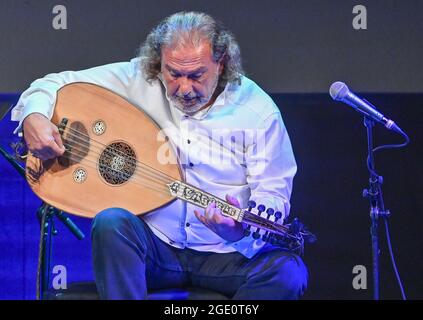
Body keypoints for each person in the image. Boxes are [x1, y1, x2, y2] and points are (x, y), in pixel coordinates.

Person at [12, 11, 308, 299]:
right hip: (156, 248)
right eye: (174, 73)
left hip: (225, 255)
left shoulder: (257, 111)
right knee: (111, 221)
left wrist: (237, 231)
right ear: (159, 63)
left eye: (196, 75)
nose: (184, 88)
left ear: (222, 63)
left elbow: (273, 193)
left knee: (287, 273)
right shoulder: (139, 78)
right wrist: (34, 116)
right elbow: (50, 84)